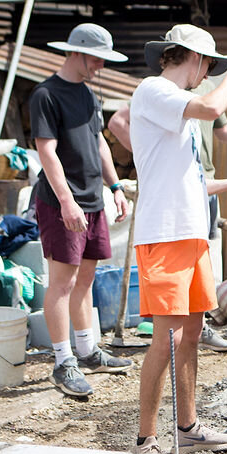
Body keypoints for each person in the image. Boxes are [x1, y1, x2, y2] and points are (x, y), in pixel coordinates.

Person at [129, 24, 227, 454]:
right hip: (164, 235)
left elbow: (191, 179)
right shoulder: (154, 91)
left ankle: (188, 429)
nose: (207, 74)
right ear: (196, 59)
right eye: (208, 66)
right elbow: (211, 107)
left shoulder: (182, 115)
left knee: (191, 334)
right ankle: (145, 439)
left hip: (191, 234)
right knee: (166, 338)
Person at [107, 96, 227, 351]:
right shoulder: (163, 90)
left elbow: (224, 131)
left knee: (205, 259)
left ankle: (199, 325)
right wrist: (147, 157)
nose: (209, 69)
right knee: (177, 280)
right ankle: (177, 329)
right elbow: (117, 122)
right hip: (174, 193)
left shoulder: (210, 87)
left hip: (204, 181)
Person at [29, 23, 134, 397]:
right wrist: (66, 200)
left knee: (85, 278)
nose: (101, 67)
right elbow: (47, 151)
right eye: (97, 59)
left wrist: (116, 186)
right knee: (62, 282)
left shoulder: (89, 95)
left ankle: (88, 351)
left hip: (93, 199)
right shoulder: (46, 94)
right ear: (76, 53)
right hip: (63, 202)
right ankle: (62, 361)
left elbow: (100, 145)